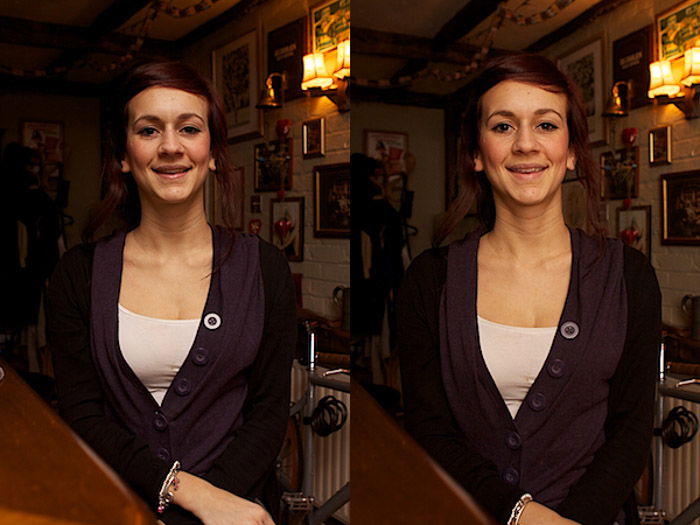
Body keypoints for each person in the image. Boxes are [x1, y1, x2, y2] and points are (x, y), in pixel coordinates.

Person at [398, 52, 661, 525]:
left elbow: (631, 430)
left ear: (572, 150)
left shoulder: (629, 276)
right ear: (477, 154)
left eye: (545, 125)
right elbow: (429, 427)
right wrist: (519, 513)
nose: (525, 145)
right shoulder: (429, 279)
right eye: (502, 127)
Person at [47, 60, 296, 525]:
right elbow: (83, 415)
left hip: (237, 511)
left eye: (189, 128)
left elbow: (268, 412)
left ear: (213, 151)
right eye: (148, 130)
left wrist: (210, 505)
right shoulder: (77, 275)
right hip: (116, 508)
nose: (170, 147)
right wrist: (183, 493)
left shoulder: (265, 267)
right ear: (123, 155)